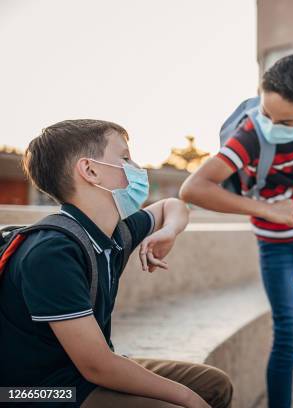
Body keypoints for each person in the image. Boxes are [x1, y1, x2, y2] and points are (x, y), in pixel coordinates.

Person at [0, 119, 233, 408]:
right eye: (124, 158)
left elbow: (173, 206)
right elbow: (96, 366)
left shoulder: (109, 232)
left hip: (78, 375)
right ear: (91, 171)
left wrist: (167, 232)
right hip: (35, 392)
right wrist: (187, 397)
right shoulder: (52, 253)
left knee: (214, 385)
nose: (137, 167)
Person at [180, 53, 293, 408]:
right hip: (275, 247)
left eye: (285, 120)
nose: (271, 124)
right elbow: (193, 189)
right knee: (289, 334)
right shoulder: (249, 136)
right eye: (266, 113)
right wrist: (266, 210)